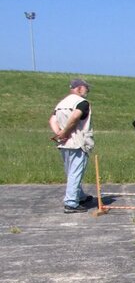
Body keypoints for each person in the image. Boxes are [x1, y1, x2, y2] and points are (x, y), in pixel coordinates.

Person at [49, 78, 95, 213]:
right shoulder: (81, 103)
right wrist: (64, 132)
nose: (88, 90)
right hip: (78, 142)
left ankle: (79, 196)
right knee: (76, 173)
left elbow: (52, 119)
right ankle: (71, 202)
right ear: (79, 88)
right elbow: (75, 117)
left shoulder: (61, 103)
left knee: (71, 172)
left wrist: (58, 133)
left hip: (64, 144)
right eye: (86, 88)